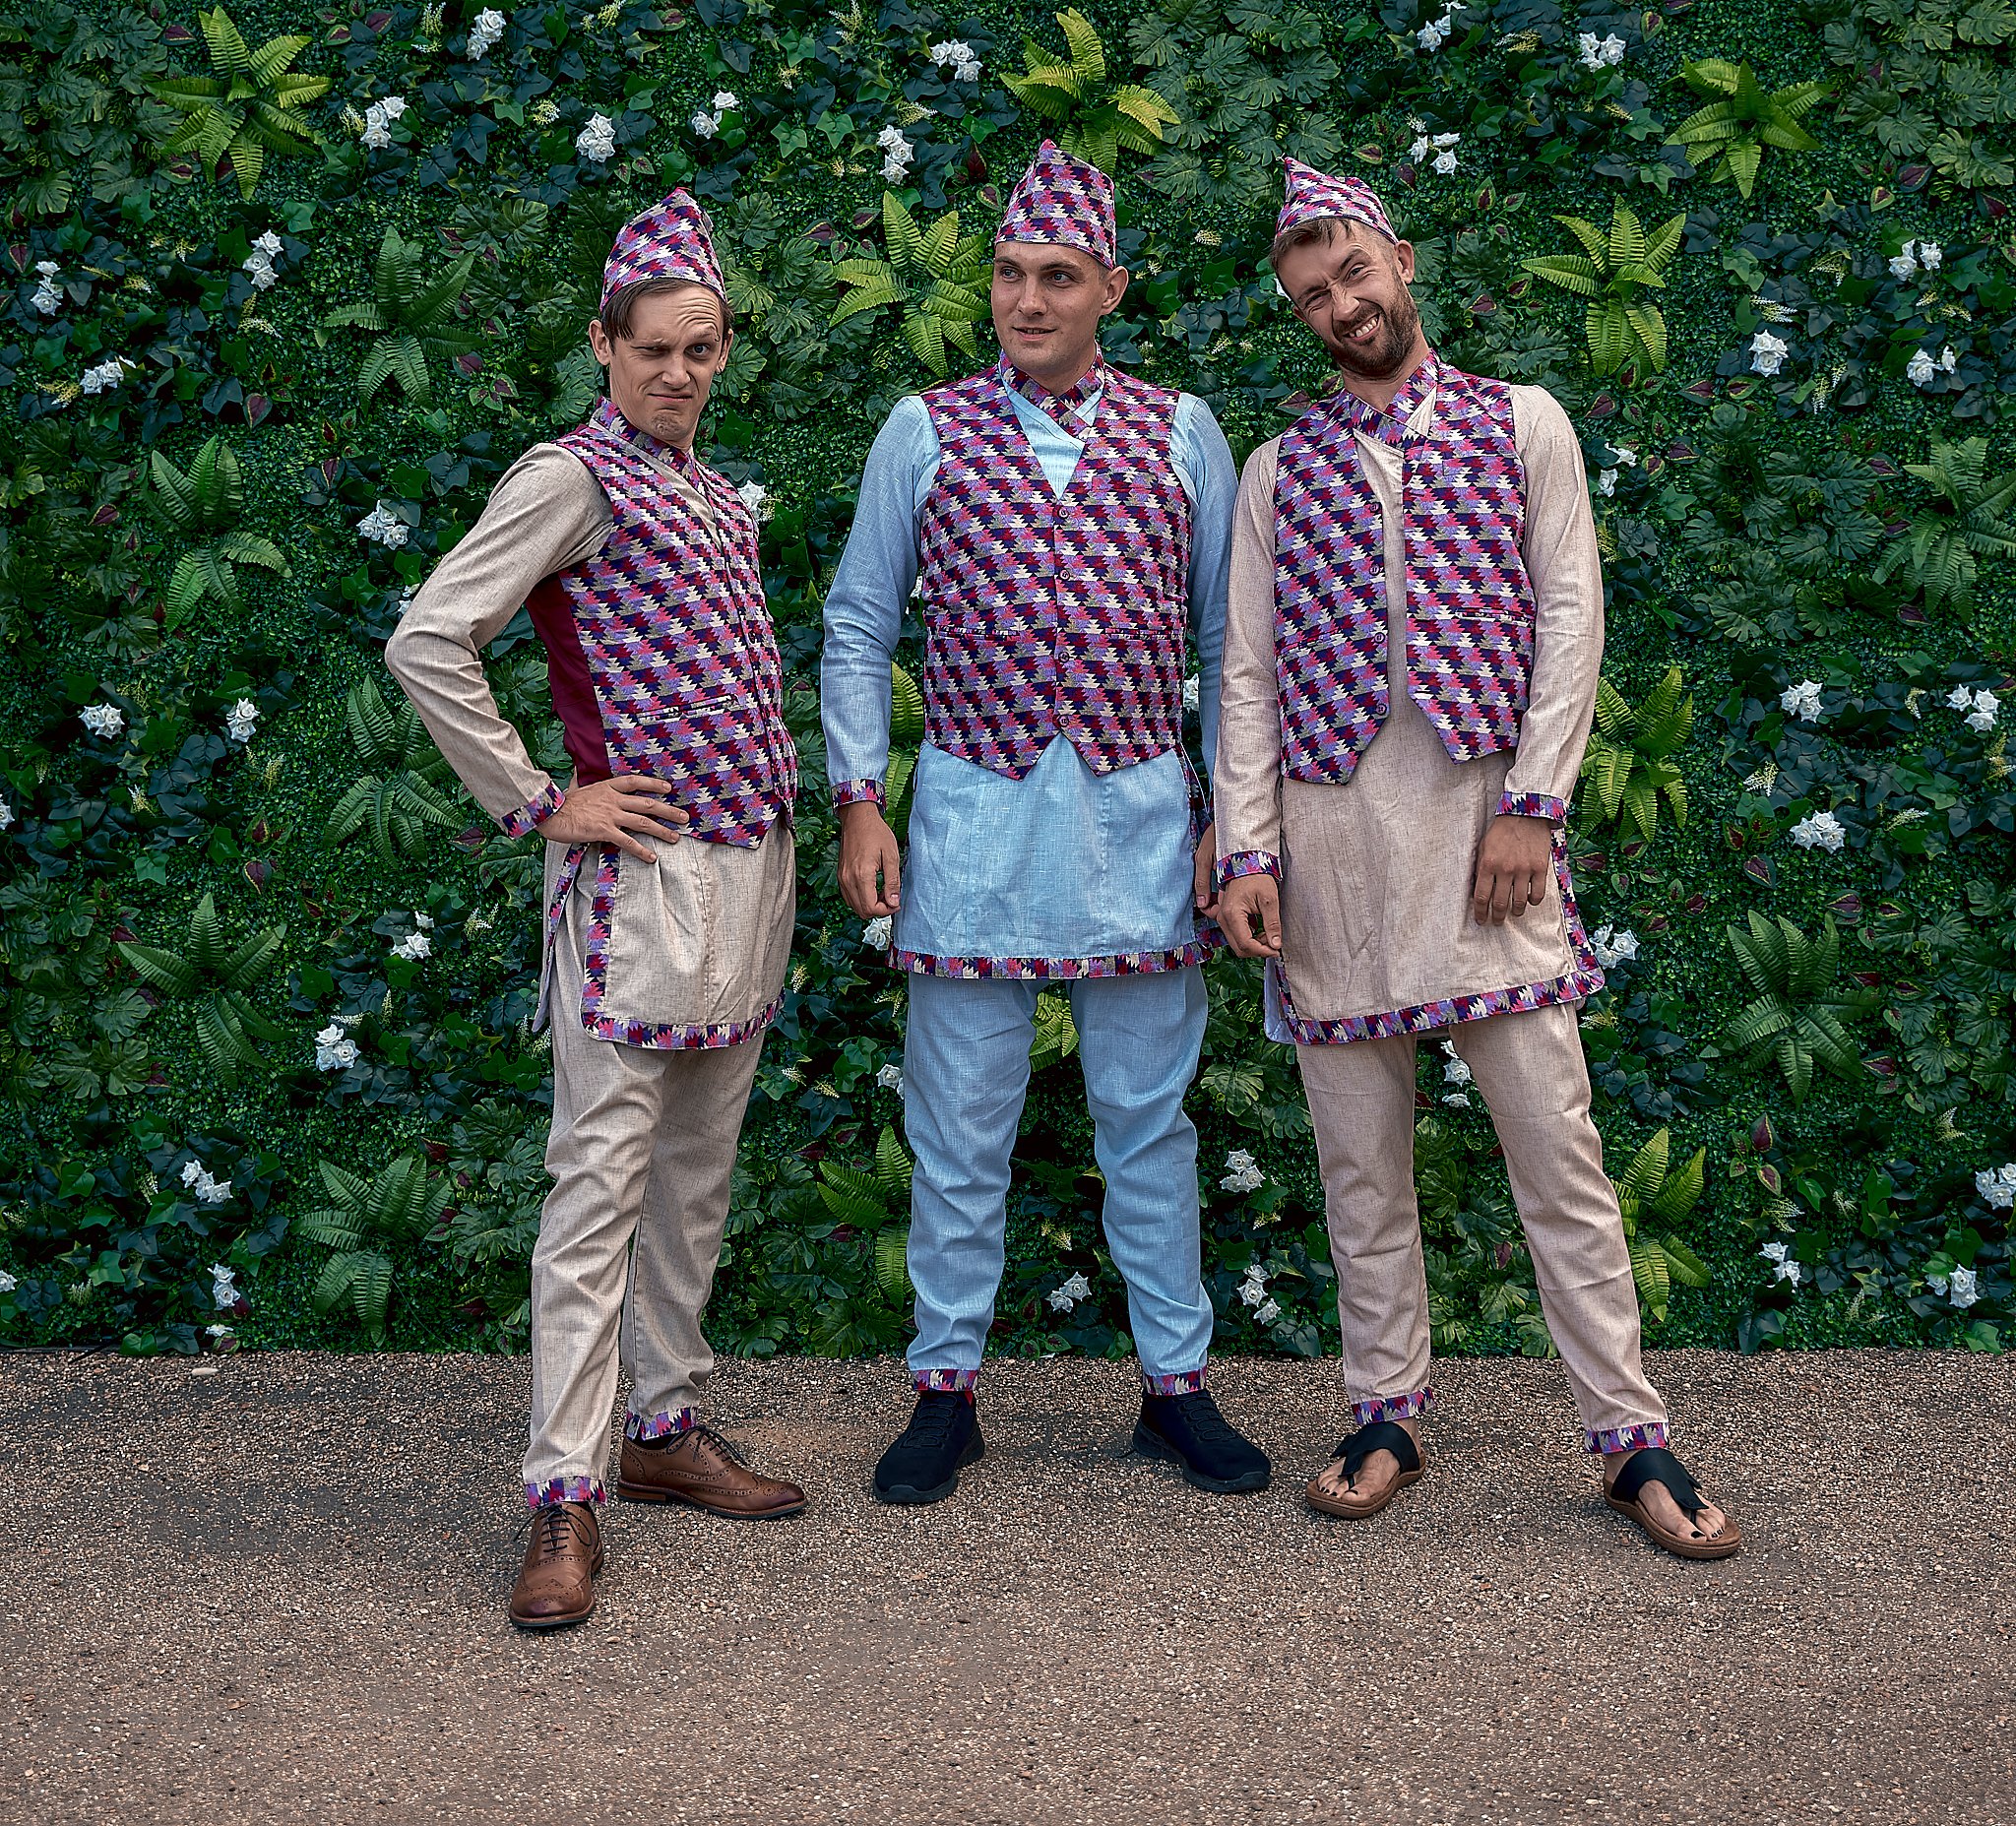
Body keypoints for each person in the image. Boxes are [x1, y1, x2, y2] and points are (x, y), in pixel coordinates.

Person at [1212, 158, 1740, 1560]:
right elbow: (1248, 675)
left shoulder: (1526, 424)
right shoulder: (1278, 469)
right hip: (1332, 854)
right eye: (1312, 296)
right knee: (1360, 1166)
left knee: (1556, 1154)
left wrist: (1535, 804)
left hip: (1487, 843)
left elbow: (1574, 616)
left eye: (1355, 275)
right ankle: (1385, 1413)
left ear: (1398, 258)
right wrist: (1248, 851)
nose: (1342, 305)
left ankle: (1631, 1435)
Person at [821, 141, 1270, 1504]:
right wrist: (857, 798)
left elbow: (1228, 639)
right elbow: (856, 623)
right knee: (960, 1131)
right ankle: (945, 1393)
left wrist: (1228, 823)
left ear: (1110, 290)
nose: (1026, 297)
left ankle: (1174, 1390)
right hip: (972, 824)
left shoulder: (1187, 433)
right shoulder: (926, 430)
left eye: (1056, 276)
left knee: (1150, 1124)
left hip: (1140, 819)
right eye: (1010, 273)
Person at [387, 189, 810, 1631]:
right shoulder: (570, 477)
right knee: (595, 1199)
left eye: (702, 350)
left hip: (745, 882)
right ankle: (562, 1495)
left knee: (694, 1185)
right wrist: (537, 800)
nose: (680, 373)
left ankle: (663, 1431)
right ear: (603, 348)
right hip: (638, 895)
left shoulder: (703, 483)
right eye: (655, 352)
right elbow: (433, 637)